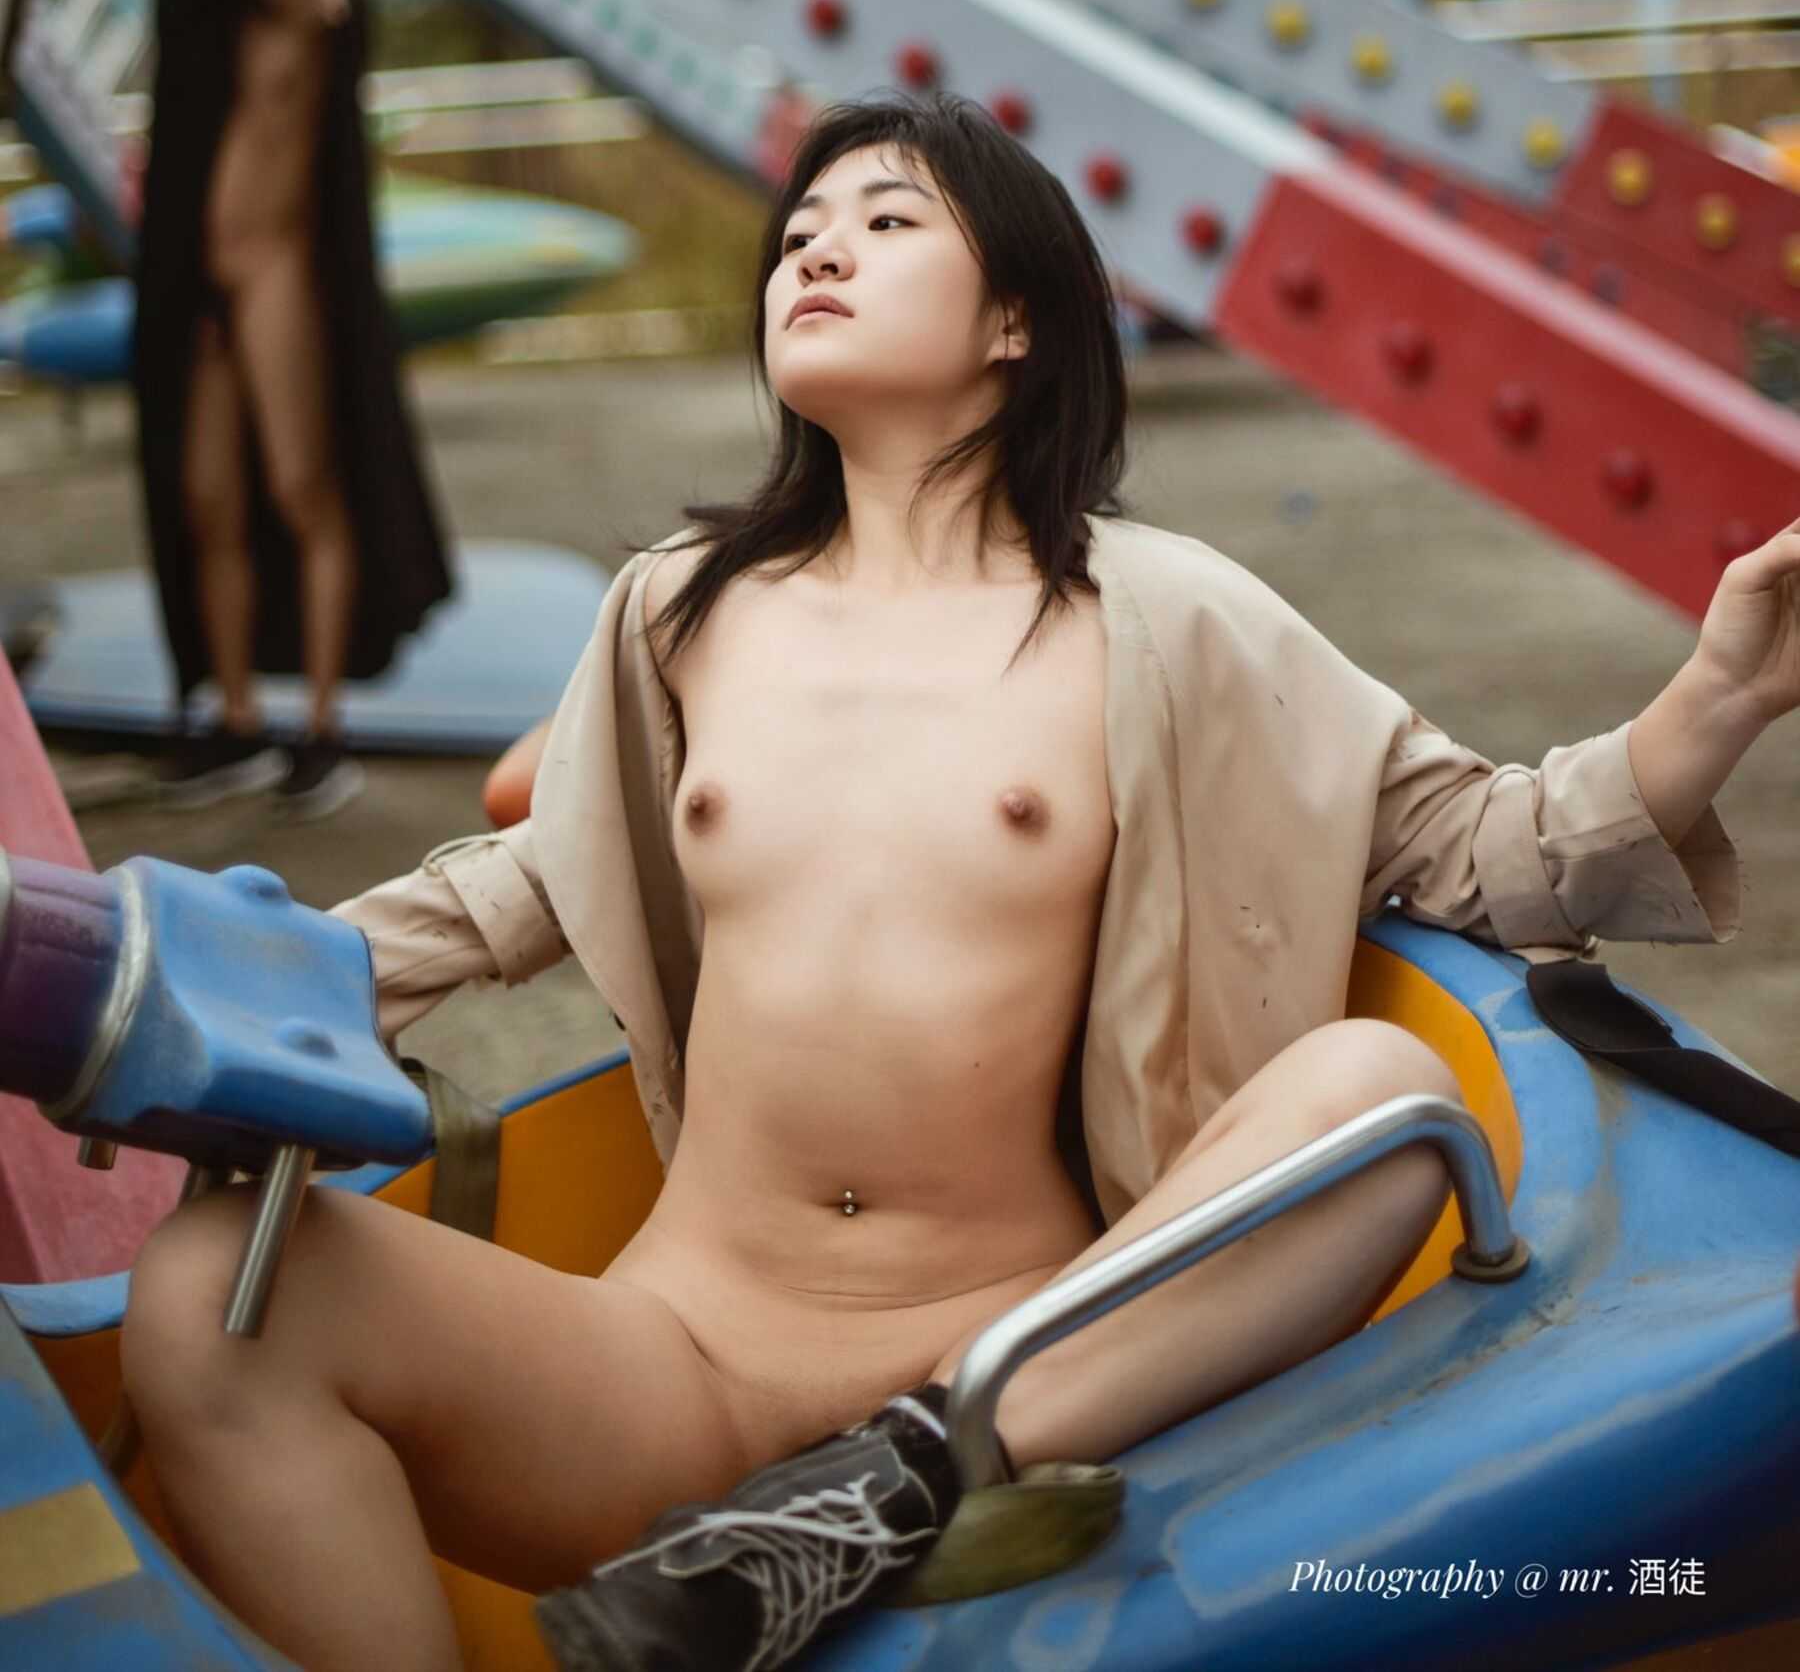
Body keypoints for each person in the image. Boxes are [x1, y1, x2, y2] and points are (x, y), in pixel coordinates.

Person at [119, 93, 1782, 1672]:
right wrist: (189, 982)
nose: (815, 248)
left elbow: (1484, 845)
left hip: (1013, 1367)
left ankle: (881, 1481)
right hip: (671, 1368)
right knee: (209, 1293)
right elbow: (523, 879)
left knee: (1384, 1093)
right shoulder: (686, 605)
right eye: (799, 230)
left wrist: (1716, 694)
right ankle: (773, 1529)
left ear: (1017, 320)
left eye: (887, 218)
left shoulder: (1169, 614)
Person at [130, 0, 453, 818]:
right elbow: (182, 85)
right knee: (208, 500)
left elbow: (337, 95)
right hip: (201, 284)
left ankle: (321, 725)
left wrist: (301, 9)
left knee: (303, 485)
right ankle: (236, 716)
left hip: (280, 273)